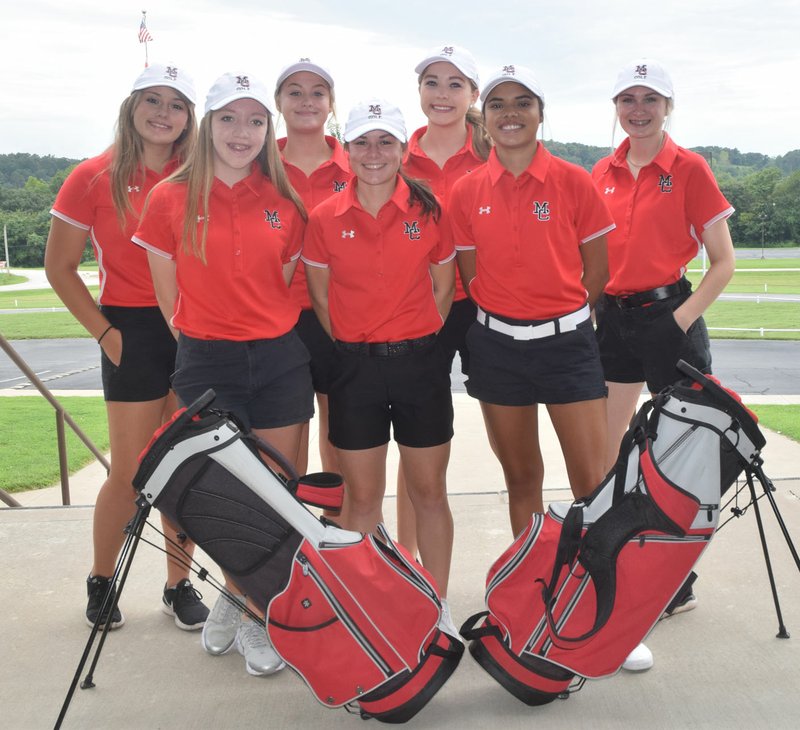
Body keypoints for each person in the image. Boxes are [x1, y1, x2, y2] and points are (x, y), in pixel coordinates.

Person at [133, 71, 312, 677]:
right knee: (221, 493)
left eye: (256, 120)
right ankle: (244, 597)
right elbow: (167, 298)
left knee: (276, 490)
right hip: (208, 359)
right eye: (230, 119)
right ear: (209, 125)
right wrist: (210, 340)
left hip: (281, 357)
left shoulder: (285, 203)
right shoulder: (168, 199)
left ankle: (249, 607)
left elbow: (283, 282)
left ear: (269, 130)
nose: (243, 132)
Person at [45, 62, 209, 633]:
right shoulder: (94, 174)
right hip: (131, 330)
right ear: (133, 106)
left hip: (194, 328)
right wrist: (106, 334)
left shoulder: (201, 174)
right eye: (154, 101)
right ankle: (101, 577)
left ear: (191, 117)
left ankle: (177, 583)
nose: (164, 114)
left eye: (178, 104)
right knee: (131, 470)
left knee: (184, 465)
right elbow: (59, 268)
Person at [591, 58, 735, 672]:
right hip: (611, 319)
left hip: (668, 315)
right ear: (617, 107)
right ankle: (622, 554)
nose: (639, 108)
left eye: (650, 99)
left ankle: (676, 578)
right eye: (628, 98)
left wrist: (676, 322)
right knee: (607, 446)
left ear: (667, 106)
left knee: (681, 454)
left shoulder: (690, 167)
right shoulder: (600, 169)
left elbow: (723, 262)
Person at [302, 99, 459, 636]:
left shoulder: (430, 211)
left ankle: (436, 608)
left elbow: (443, 288)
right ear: (345, 151)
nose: (373, 153)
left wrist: (416, 338)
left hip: (420, 367)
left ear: (402, 149)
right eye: (362, 142)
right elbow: (321, 300)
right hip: (354, 371)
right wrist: (359, 343)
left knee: (429, 492)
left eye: (385, 142)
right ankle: (368, 606)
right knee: (362, 498)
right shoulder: (324, 218)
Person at [449, 64, 614, 538]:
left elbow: (597, 272)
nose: (510, 113)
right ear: (485, 119)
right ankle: (532, 588)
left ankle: (592, 588)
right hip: (496, 350)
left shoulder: (574, 180)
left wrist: (558, 314)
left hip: (568, 346)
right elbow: (471, 274)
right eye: (498, 104)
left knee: (591, 483)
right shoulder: (466, 191)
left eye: (524, 102)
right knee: (522, 480)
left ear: (541, 113)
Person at [396, 44, 492, 556]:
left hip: (486, 308)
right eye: (432, 82)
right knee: (417, 448)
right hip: (419, 312)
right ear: (419, 92)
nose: (442, 93)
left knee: (509, 441)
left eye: (456, 84)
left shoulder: (495, 153)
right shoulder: (390, 155)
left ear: (474, 94)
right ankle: (406, 562)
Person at [274, 57, 353, 484]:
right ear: (279, 103)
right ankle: (291, 545)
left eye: (317, 92)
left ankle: (338, 543)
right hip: (277, 320)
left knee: (341, 441)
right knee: (286, 449)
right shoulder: (257, 165)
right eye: (295, 92)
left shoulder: (360, 164)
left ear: (331, 104)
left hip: (339, 315)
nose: (307, 101)